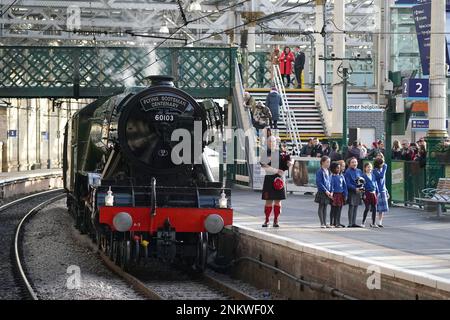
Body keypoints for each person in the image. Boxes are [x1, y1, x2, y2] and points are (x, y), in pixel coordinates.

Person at [261, 134, 292, 228]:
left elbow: (285, 165)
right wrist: (276, 171)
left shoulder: (281, 153)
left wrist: (289, 163)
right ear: (267, 143)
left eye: (273, 141)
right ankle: (266, 220)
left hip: (279, 178)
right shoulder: (265, 153)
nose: (272, 143)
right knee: (268, 201)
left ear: (276, 143)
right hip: (269, 178)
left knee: (278, 201)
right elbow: (263, 165)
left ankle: (276, 220)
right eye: (270, 141)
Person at [344, 157, 364, 228]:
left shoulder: (359, 171)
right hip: (352, 191)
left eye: (355, 162)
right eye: (352, 162)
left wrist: (361, 188)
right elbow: (347, 183)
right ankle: (350, 223)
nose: (354, 163)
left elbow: (361, 181)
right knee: (351, 206)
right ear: (349, 164)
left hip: (358, 191)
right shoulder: (348, 171)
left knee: (356, 206)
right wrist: (355, 188)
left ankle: (354, 222)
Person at [315, 156, 332, 228]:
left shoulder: (328, 171)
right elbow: (319, 182)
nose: (328, 163)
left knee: (325, 207)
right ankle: (322, 223)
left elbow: (330, 181)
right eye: (327, 162)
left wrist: (331, 191)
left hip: (328, 191)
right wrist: (325, 190)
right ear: (322, 162)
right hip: (322, 192)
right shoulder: (320, 171)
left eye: (329, 162)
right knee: (321, 206)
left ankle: (325, 222)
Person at [330, 162, 347, 228]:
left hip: (341, 194)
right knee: (333, 209)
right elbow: (331, 186)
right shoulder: (332, 177)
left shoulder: (341, 176)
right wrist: (331, 192)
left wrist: (345, 194)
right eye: (337, 168)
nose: (338, 169)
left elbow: (344, 186)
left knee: (339, 209)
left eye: (339, 168)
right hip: (335, 194)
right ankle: (332, 223)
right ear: (333, 169)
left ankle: (338, 222)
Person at [361, 162, 379, 228]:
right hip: (367, 193)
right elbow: (361, 186)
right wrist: (363, 194)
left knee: (374, 208)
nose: (369, 168)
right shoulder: (363, 176)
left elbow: (375, 184)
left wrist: (377, 192)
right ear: (365, 168)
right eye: (368, 167)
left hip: (373, 193)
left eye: (370, 167)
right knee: (367, 208)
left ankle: (373, 223)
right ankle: (363, 222)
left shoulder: (373, 175)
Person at [373, 157, 388, 228]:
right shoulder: (375, 171)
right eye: (382, 163)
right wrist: (385, 168)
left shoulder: (381, 170)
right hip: (377, 190)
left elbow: (383, 181)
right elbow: (380, 176)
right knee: (376, 207)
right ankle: (374, 221)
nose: (383, 164)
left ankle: (380, 222)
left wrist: (386, 191)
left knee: (381, 209)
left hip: (383, 190)